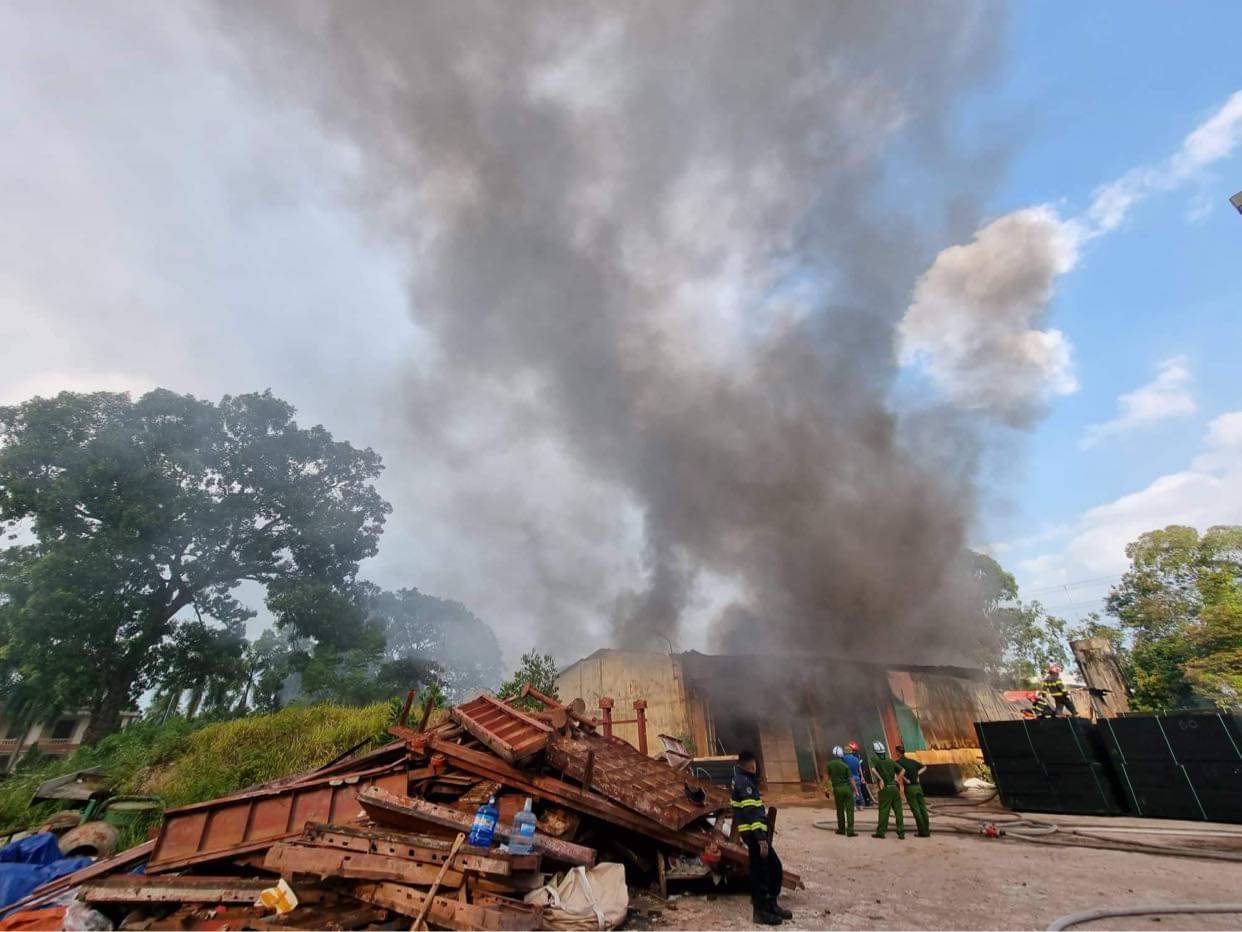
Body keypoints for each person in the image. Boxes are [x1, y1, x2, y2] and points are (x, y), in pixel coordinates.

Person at [731, 750, 789, 925]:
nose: (756, 767)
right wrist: (761, 839)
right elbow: (751, 812)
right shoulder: (744, 783)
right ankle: (761, 912)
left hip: (754, 833)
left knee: (772, 868)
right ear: (750, 765)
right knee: (762, 873)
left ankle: (771, 905)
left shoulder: (744, 780)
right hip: (753, 835)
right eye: (754, 764)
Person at [868, 741, 905, 839]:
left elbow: (873, 770)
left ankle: (880, 833)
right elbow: (903, 770)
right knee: (898, 811)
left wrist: (880, 778)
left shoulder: (875, 760)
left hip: (885, 790)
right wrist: (897, 779)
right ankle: (901, 833)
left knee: (884, 811)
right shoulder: (890, 760)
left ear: (875, 752)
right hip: (894, 789)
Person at [894, 744, 930, 837]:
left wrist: (905, 779)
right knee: (923, 808)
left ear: (898, 753)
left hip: (910, 788)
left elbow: (900, 773)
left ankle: (922, 832)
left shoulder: (898, 762)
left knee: (916, 810)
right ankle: (927, 829)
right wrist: (917, 775)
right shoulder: (912, 761)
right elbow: (925, 767)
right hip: (918, 787)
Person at [824, 746, 858, 836]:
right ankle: (850, 831)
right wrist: (856, 790)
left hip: (837, 789)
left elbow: (826, 778)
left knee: (840, 810)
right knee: (850, 810)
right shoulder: (845, 765)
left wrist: (826, 789)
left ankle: (841, 830)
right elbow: (851, 779)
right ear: (841, 755)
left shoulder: (829, 764)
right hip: (847, 789)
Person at [843, 741, 873, 807]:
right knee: (859, 789)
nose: (854, 752)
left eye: (855, 750)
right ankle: (864, 803)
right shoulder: (855, 756)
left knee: (860, 789)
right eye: (853, 750)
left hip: (858, 774)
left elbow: (861, 766)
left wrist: (862, 776)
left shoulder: (856, 756)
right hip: (858, 774)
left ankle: (865, 802)